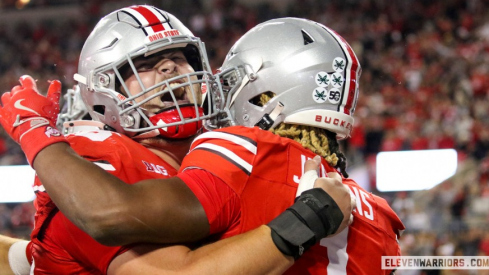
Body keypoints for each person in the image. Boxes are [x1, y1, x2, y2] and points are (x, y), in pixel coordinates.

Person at [0, 7, 353, 275]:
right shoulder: (92, 171)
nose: (171, 69)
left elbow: (22, 259)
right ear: (104, 93)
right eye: (147, 63)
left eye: (181, 58)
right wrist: (307, 219)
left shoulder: (223, 148)